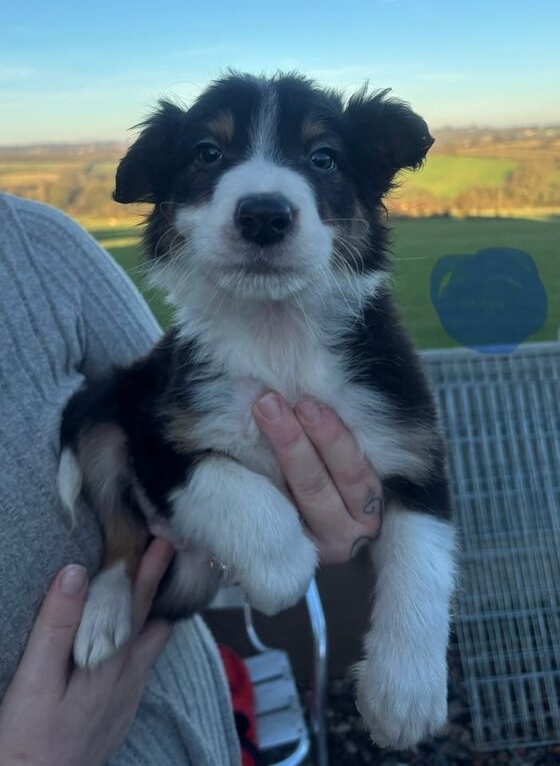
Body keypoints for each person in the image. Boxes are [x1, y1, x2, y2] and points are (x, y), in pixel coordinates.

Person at [0, 192, 383, 766]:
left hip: (180, 729)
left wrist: (281, 499)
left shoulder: (33, 241)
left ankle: (119, 567)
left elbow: (165, 415)